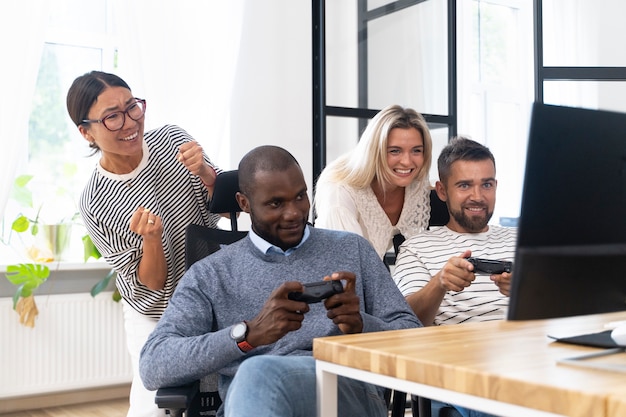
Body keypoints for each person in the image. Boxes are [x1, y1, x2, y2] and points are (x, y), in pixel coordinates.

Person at [139, 145, 421, 417]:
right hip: (252, 398)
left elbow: (415, 339)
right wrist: (246, 336)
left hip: (344, 391)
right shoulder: (210, 274)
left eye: (300, 197)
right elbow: (154, 364)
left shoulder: (352, 249)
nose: (294, 213)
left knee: (257, 373)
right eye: (276, 203)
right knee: (257, 373)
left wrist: (362, 324)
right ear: (244, 203)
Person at [66, 71, 222, 417]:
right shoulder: (95, 201)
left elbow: (229, 208)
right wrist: (152, 241)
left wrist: (209, 176)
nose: (129, 122)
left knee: (217, 394)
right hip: (156, 311)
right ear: (86, 132)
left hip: (211, 295)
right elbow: (149, 285)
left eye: (132, 106)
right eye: (112, 116)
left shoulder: (172, 141)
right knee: (153, 407)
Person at [393, 137, 515, 417]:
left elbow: (563, 312)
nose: (478, 196)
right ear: (442, 191)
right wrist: (440, 283)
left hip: (527, 359)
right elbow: (406, 323)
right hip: (461, 370)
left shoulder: (523, 241)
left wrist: (526, 291)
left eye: (486, 184)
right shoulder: (417, 247)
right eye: (464, 185)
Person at [314, 104, 433, 259]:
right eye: (394, 151)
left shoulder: (416, 184)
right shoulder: (339, 193)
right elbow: (348, 265)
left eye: (416, 150)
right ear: (374, 151)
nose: (407, 162)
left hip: (375, 269)